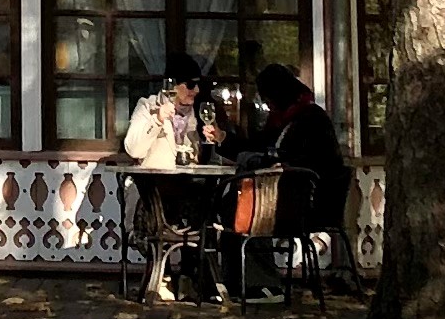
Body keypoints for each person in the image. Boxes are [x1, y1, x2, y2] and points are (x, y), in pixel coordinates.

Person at [123, 60, 226, 303]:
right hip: (155, 192)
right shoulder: (148, 106)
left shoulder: (203, 112)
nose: (196, 91)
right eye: (190, 85)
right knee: (155, 215)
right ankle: (163, 276)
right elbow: (133, 149)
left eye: (199, 86)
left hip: (191, 190)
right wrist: (157, 120)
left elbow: (219, 158)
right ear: (172, 86)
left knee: (206, 213)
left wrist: (218, 138)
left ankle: (193, 276)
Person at [252, 63, 359, 293]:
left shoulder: (311, 119)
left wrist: (285, 165)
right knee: (245, 209)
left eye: (268, 98)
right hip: (295, 198)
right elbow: (261, 146)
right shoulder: (283, 120)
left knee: (250, 217)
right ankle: (250, 281)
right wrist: (224, 140)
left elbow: (315, 162)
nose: (267, 104)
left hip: (311, 203)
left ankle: (260, 283)